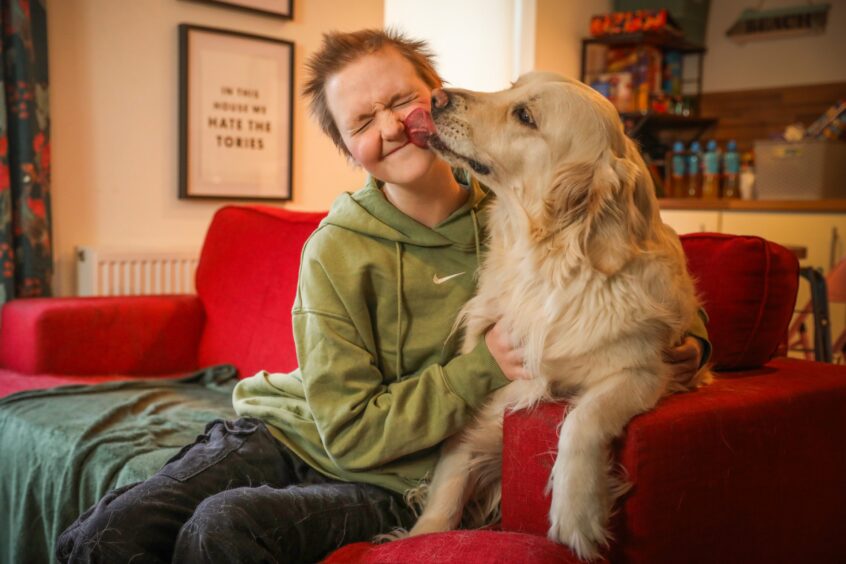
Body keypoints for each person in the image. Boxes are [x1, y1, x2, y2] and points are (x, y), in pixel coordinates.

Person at [56, 28, 709, 563]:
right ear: (349, 151)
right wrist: (480, 365)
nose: (393, 127)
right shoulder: (335, 250)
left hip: (392, 477)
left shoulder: (523, 204)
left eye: (401, 99)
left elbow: (636, 265)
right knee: (106, 535)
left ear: (437, 96)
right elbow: (344, 429)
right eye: (362, 121)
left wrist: (690, 345)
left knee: (224, 528)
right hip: (292, 430)